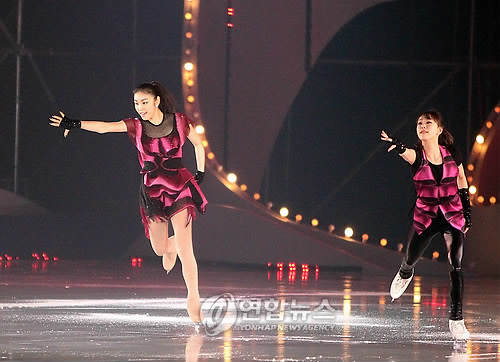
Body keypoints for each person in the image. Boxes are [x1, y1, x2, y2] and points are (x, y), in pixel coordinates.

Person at [49, 81, 207, 326]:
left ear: (156, 101)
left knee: (188, 251)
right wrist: (74, 123)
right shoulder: (135, 127)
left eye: (144, 102)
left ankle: (193, 297)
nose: (140, 107)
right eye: (136, 103)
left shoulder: (179, 122)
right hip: (153, 192)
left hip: (180, 188)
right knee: (159, 249)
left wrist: (200, 173)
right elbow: (104, 128)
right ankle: (171, 245)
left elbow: (198, 143)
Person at [380, 110, 472, 340]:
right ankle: (405, 272)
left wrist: (467, 209)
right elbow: (408, 154)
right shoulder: (418, 155)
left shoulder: (452, 152)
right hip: (427, 216)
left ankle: (457, 319)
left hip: (452, 214)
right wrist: (399, 147)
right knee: (411, 258)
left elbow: (461, 178)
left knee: (456, 264)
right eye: (419, 123)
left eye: (428, 123)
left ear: (439, 129)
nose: (422, 126)